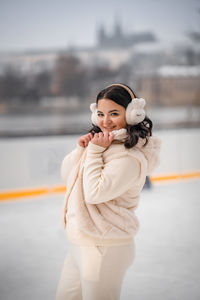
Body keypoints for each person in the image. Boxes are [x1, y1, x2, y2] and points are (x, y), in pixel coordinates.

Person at [56, 83, 161, 300]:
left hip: (105, 247)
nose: (105, 121)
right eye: (101, 114)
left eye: (114, 113)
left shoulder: (129, 157)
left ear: (132, 114)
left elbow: (94, 193)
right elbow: (68, 176)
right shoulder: (102, 145)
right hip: (80, 242)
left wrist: (94, 152)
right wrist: (82, 150)